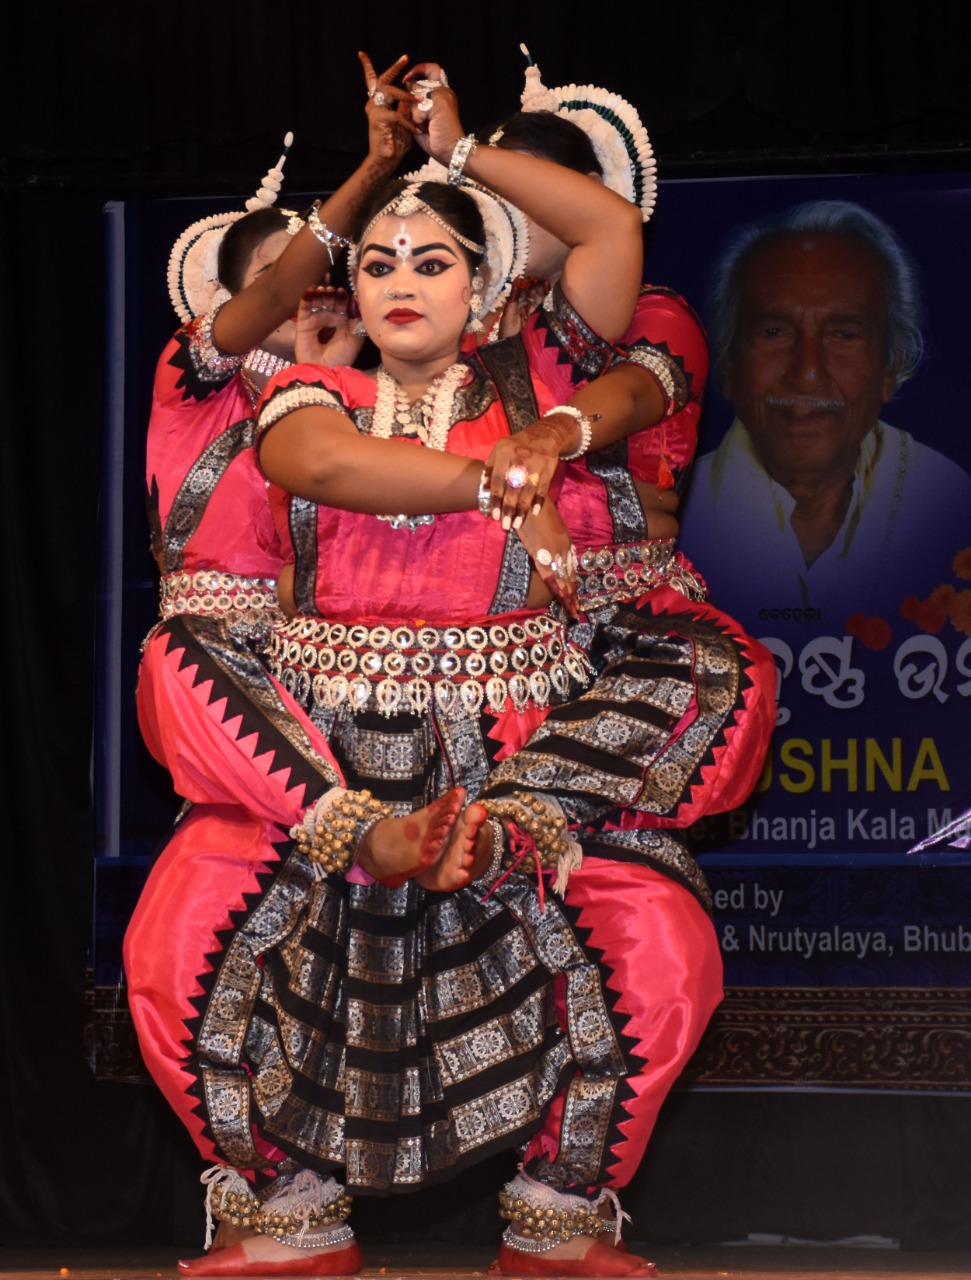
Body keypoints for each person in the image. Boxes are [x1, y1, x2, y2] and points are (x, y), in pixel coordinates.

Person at [678, 199, 971, 633]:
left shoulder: (947, 505)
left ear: (889, 368)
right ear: (728, 366)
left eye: (845, 334)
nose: (808, 375)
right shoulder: (673, 519)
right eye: (774, 332)